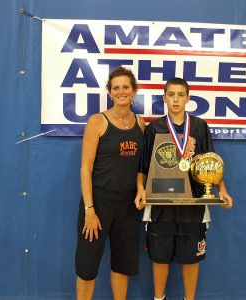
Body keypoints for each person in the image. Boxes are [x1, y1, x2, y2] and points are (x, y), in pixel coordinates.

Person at [134, 77, 233, 300]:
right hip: (160, 202)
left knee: (191, 258)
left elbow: (211, 162)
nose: (176, 99)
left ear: (188, 98)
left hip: (193, 201)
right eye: (171, 94)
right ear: (164, 98)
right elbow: (143, 165)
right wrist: (140, 189)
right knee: (160, 258)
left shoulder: (199, 126)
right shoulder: (154, 128)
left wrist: (222, 189)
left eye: (180, 95)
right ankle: (159, 298)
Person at [75, 66, 145, 300]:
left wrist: (140, 188)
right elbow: (86, 168)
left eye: (126, 87)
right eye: (116, 88)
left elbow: (139, 167)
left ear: (134, 91)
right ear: (110, 92)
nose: (121, 91)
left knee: (122, 265)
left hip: (128, 208)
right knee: (87, 267)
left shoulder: (140, 123)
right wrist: (89, 209)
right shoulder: (98, 122)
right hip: (99, 205)